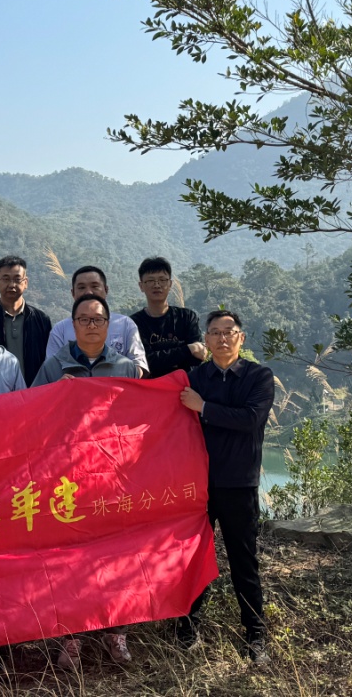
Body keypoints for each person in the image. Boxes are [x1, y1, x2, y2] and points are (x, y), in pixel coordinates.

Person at [33, 293, 140, 668]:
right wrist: (54, 395)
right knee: (72, 560)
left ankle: (116, 634)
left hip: (113, 477)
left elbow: (138, 419)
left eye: (98, 319)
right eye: (84, 319)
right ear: (72, 325)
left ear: (108, 325)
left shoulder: (125, 368)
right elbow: (32, 415)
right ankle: (71, 638)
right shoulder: (54, 365)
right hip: (69, 478)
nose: (91, 325)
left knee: (117, 558)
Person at [178, 310, 274, 664]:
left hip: (239, 483)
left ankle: (255, 634)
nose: (222, 338)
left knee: (243, 560)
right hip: (198, 486)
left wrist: (203, 407)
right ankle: (187, 626)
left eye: (228, 332)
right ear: (206, 339)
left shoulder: (258, 376)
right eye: (215, 332)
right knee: (193, 558)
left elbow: (251, 419)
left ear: (241, 338)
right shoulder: (194, 377)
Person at [44, 266, 148, 373]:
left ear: (106, 290)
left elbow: (138, 366)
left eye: (95, 286)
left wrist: (116, 378)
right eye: (81, 288)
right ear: (73, 293)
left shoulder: (125, 324)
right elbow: (51, 370)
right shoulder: (60, 329)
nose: (88, 292)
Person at [129, 257, 207, 378]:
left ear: (170, 284)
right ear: (141, 286)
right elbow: (147, 362)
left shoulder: (186, 317)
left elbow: (198, 357)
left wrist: (161, 358)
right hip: (151, 386)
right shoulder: (134, 323)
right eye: (150, 280)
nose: (157, 285)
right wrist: (188, 349)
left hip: (186, 385)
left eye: (162, 280)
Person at [0, 255, 53, 386]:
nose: (12, 285)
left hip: (34, 392)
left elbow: (49, 360)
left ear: (25, 282)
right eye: (6, 279)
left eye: (17, 279)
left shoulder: (41, 320)